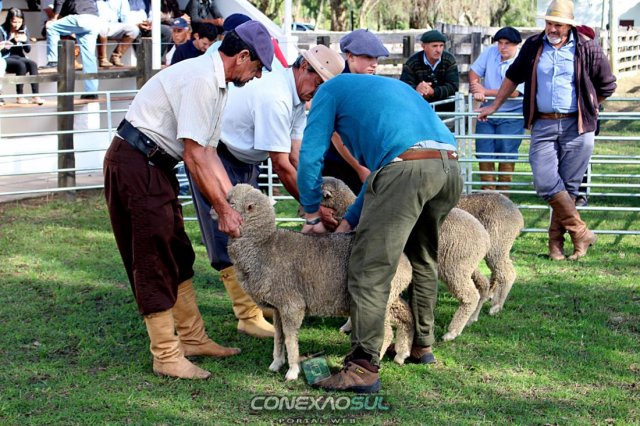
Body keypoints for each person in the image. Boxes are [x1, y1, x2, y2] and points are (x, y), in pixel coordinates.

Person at [103, 21, 274, 379]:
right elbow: (194, 156)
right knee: (153, 257)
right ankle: (166, 355)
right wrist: (223, 210)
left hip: (155, 165)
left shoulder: (217, 83)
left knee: (178, 251)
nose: (257, 76)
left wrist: (234, 202)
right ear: (243, 56)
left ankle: (193, 339)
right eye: (258, 67)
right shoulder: (201, 80)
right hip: (136, 164)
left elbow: (209, 153)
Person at [298, 74, 462, 393]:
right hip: (449, 166)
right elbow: (382, 173)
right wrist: (349, 221)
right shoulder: (386, 89)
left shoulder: (327, 92)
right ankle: (421, 345)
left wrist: (312, 211)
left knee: (370, 268)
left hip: (408, 168)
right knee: (422, 257)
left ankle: (362, 368)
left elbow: (311, 154)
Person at [186, 45, 344, 338]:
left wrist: (315, 198)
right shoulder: (276, 97)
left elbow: (296, 156)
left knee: (256, 232)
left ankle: (260, 300)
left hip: (245, 159)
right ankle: (247, 315)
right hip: (218, 155)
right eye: (318, 81)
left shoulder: (297, 98)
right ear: (303, 67)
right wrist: (314, 210)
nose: (318, 90)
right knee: (232, 230)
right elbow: (282, 165)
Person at [477, 0, 616, 261]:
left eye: (558, 25)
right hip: (543, 123)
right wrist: (494, 105)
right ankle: (581, 232)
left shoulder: (587, 47)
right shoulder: (533, 45)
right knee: (544, 181)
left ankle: (556, 246)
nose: (552, 28)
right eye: (549, 23)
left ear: (569, 26)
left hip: (578, 126)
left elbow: (607, 84)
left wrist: (590, 105)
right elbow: (513, 77)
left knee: (569, 186)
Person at [320, 29, 388, 195]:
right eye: (368, 57)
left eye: (376, 58)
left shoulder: (372, 85)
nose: (374, 64)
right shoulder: (336, 85)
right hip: (338, 166)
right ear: (350, 56)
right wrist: (360, 169)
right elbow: (335, 134)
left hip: (367, 162)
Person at [468, 26, 524, 192]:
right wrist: (476, 88)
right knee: (484, 150)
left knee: (507, 152)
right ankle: (489, 194)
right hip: (487, 110)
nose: (502, 47)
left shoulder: (522, 59)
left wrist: (484, 91)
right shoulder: (490, 52)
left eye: (507, 43)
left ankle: (503, 196)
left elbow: (514, 93)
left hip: (512, 113)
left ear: (516, 45)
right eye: (500, 42)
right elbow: (474, 71)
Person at [42, 0, 100, 98]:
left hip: (80, 17)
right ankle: (91, 92)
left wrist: (54, 18)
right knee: (89, 58)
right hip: (94, 20)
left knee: (51, 27)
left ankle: (53, 61)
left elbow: (59, 1)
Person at [400, 29, 459, 114]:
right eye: (434, 46)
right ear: (423, 46)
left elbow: (454, 86)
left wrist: (433, 92)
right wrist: (416, 89)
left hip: (446, 110)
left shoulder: (449, 60)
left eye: (441, 46)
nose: (438, 50)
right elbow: (404, 87)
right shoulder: (412, 62)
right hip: (419, 110)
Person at [0, 8, 45, 105]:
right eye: (14, 22)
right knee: (21, 65)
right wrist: (13, 41)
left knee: (33, 64)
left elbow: (27, 50)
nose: (17, 25)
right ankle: (20, 96)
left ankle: (36, 96)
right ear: (9, 20)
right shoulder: (2, 30)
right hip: (6, 57)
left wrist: (25, 41)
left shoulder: (24, 29)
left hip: (20, 56)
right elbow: (2, 51)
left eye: (19, 22)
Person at [96, 0, 140, 67]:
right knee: (103, 27)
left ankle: (116, 56)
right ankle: (102, 59)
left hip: (113, 25)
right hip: (96, 25)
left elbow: (125, 17)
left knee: (134, 29)